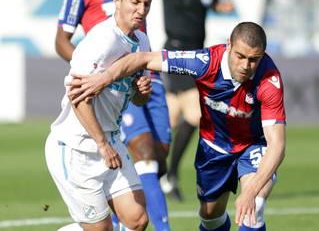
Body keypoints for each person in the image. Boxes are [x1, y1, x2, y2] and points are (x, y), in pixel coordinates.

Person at [68, 22, 287, 231]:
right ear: (229, 44)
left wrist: (249, 193)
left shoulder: (269, 79)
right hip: (214, 147)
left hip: (252, 145)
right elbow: (143, 58)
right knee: (210, 217)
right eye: (240, 56)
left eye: (253, 59)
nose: (245, 65)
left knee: (254, 205)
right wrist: (103, 79)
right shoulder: (204, 62)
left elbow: (276, 145)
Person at [45, 0, 164, 231]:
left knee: (137, 220)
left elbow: (136, 98)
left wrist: (140, 92)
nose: (141, 10)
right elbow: (77, 98)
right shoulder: (100, 40)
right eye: (135, 2)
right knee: (100, 229)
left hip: (109, 140)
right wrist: (101, 144)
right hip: (75, 147)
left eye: (147, 4)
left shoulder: (141, 41)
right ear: (117, 2)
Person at [153, 0, 234, 201]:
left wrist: (221, 7)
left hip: (198, 55)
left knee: (171, 118)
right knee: (196, 113)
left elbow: (211, 3)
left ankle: (155, 173)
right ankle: (168, 175)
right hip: (176, 52)